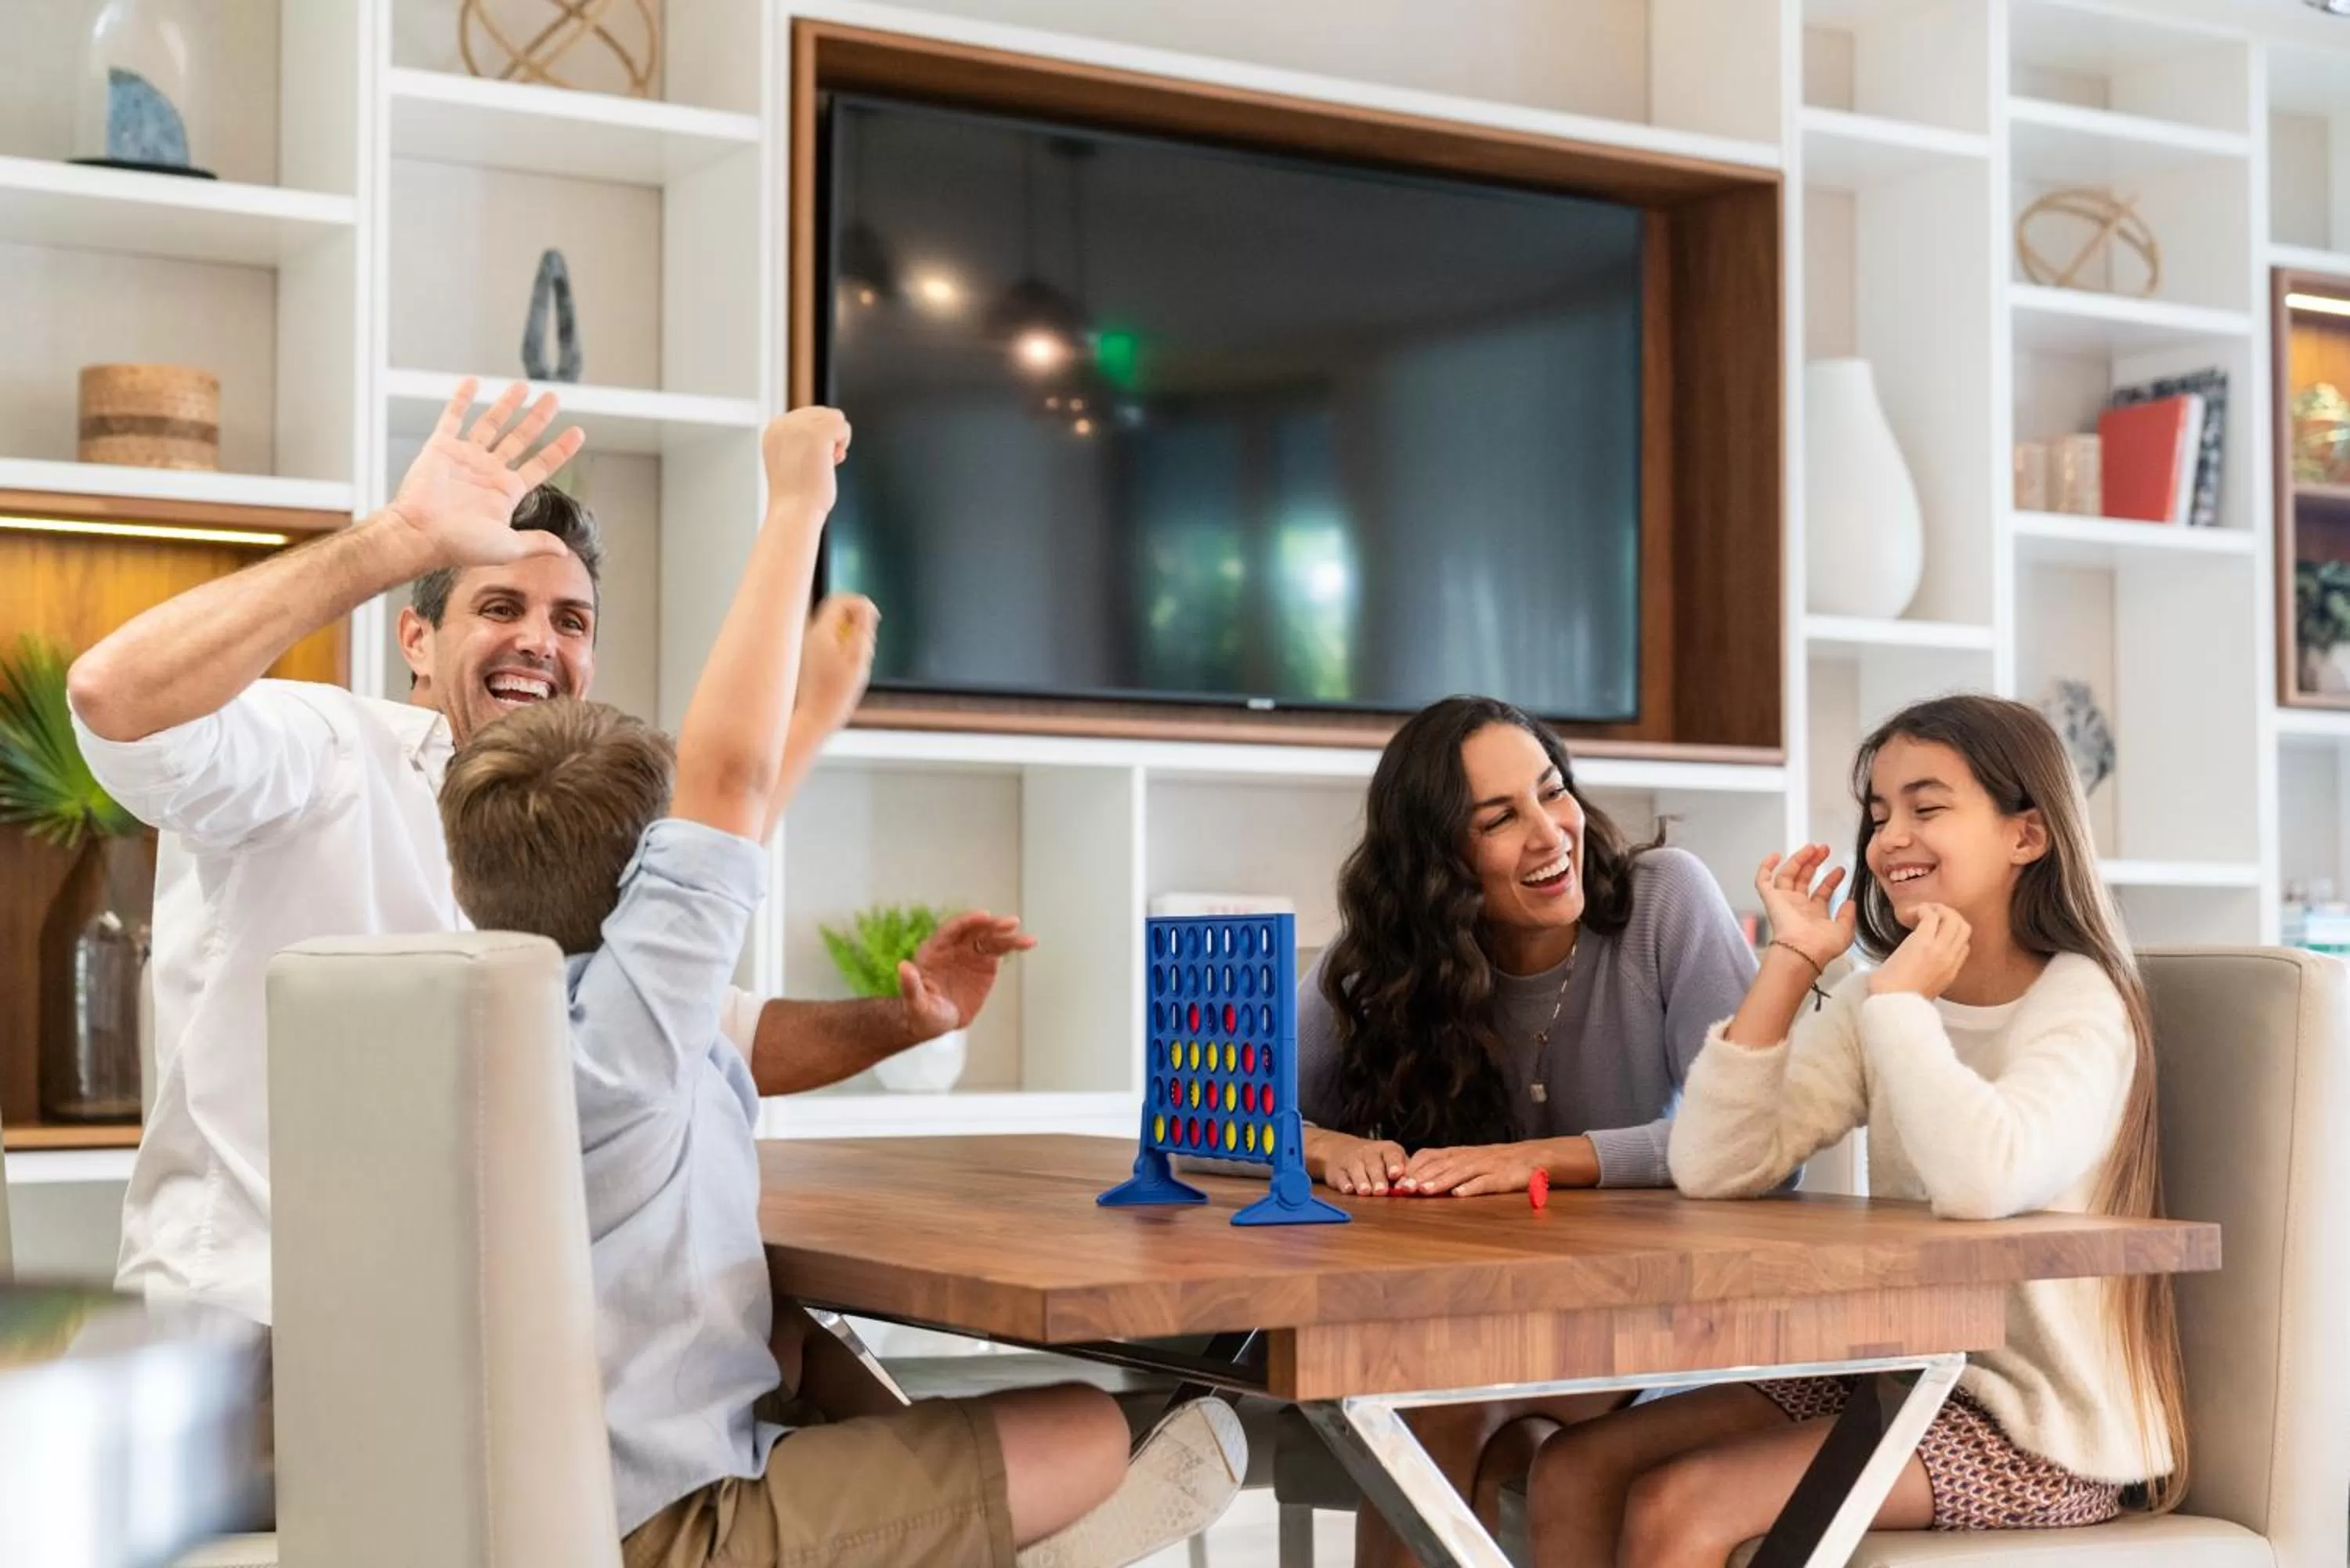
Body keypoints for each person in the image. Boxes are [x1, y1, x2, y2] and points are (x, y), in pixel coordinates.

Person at [436, 405, 1246, 1568]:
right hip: (664, 1528)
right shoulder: (627, 1038)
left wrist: (817, 708)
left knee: (799, 1340)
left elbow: (726, 820)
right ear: (655, 885)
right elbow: (727, 778)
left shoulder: (501, 1011)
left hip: (569, 1479)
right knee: (1090, 1427)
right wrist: (795, 506)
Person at [68, 379, 1015, 1330]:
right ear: (417, 639)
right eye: (500, 605)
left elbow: (686, 1020)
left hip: (462, 1344)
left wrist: (902, 1021)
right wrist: (400, 537)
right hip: (251, 1328)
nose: (537, 640)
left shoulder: (572, 815)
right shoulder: (317, 750)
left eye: (571, 620)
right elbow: (114, 696)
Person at [1524, 693, 2188, 1568]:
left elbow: (1985, 1179)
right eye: (1878, 815)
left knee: (1678, 1505)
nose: (1888, 839)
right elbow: (1715, 1163)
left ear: (2027, 834)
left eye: (1926, 807)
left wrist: (1902, 1004)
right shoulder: (1885, 994)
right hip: (1903, 1374)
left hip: (2043, 1428)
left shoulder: (2080, 1001)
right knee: (1574, 1468)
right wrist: (1793, 961)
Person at [1293, 694, 1759, 1565]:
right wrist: (1322, 1145)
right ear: (1435, 860)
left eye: (1553, 792)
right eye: (1499, 819)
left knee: (1432, 1410)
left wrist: (1540, 1159)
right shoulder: (1387, 964)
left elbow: (1755, 1141)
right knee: (1460, 1427)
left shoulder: (1667, 900)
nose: (1551, 834)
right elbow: (1205, 1117)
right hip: (1488, 1330)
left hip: (1670, 1318)